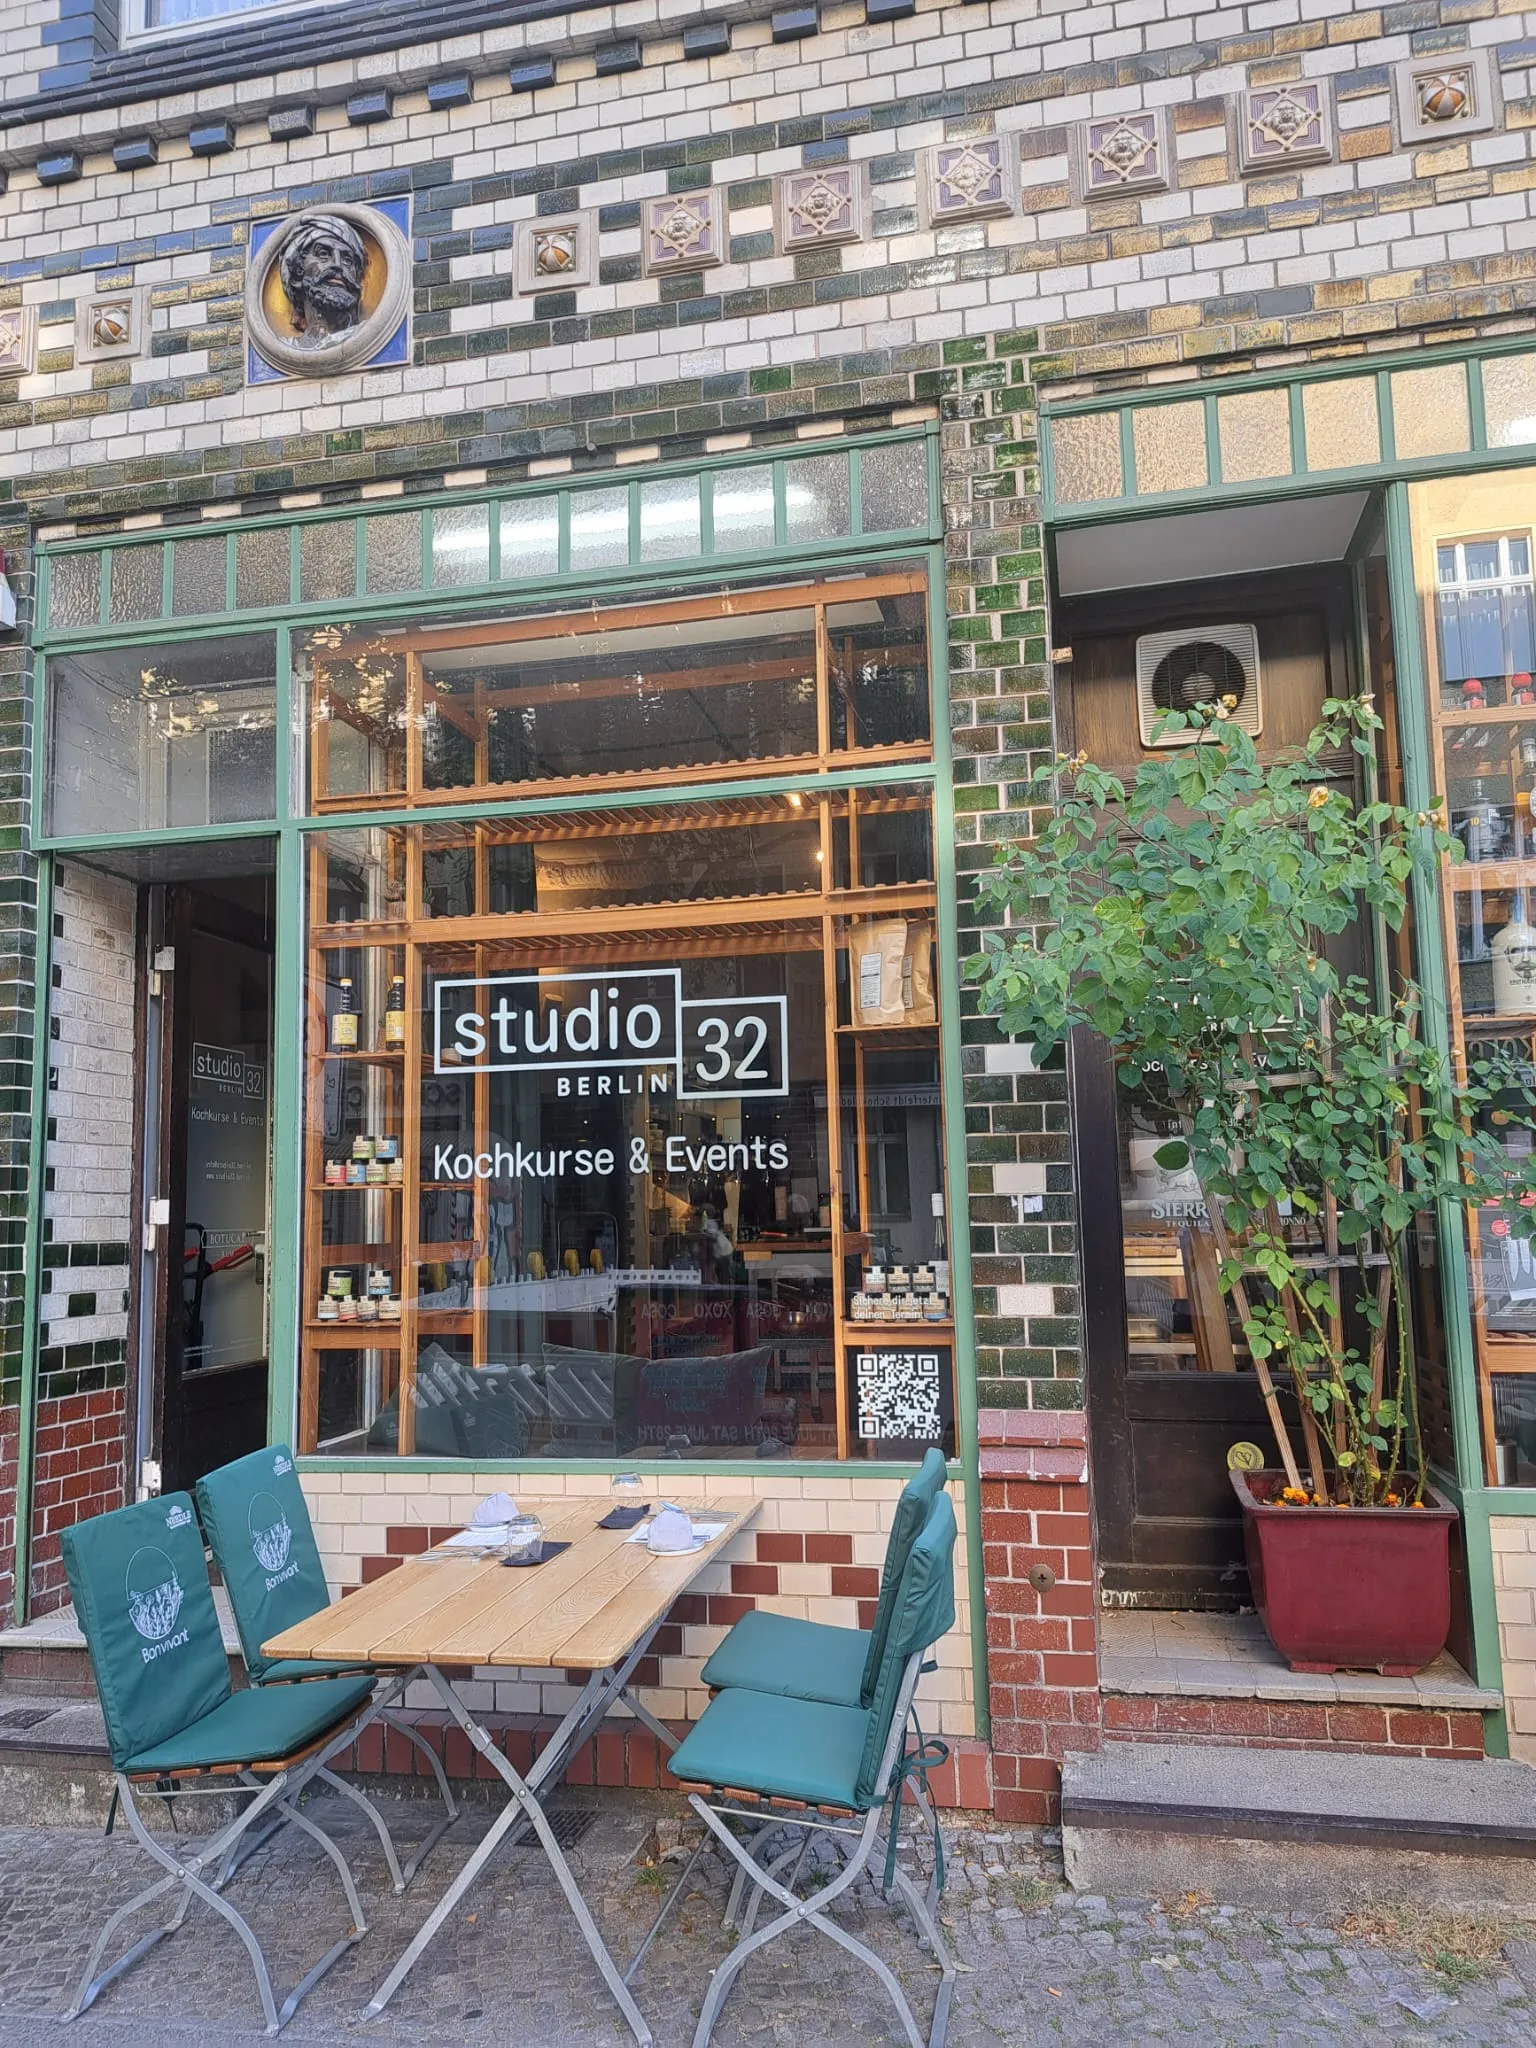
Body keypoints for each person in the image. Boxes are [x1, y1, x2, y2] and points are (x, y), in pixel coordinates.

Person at [277, 215, 367, 344]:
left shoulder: (371, 334)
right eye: (323, 254)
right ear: (299, 269)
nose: (337, 264)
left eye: (347, 260)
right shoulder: (286, 346)